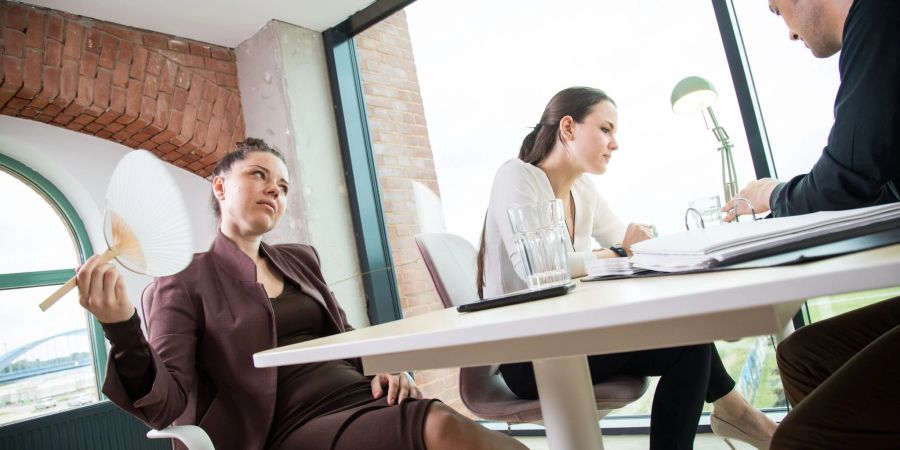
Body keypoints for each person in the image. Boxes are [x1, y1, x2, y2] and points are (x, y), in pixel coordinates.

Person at [76, 138, 526, 450]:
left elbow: (347, 335)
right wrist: (122, 328)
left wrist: (389, 364)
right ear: (219, 185)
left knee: (470, 434)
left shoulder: (299, 259)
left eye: (284, 185)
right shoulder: (183, 280)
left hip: (360, 394)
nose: (275, 188)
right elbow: (167, 402)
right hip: (283, 425)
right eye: (259, 174)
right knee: (444, 429)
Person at [477, 87, 777, 450]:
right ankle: (738, 415)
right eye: (605, 129)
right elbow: (537, 266)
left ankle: (735, 413)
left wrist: (663, 248)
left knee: (691, 342)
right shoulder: (517, 176)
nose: (614, 143)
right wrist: (618, 251)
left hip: (575, 335)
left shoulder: (583, 190)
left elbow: (633, 248)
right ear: (568, 128)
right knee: (689, 342)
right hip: (529, 355)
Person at [720, 1, 900, 448]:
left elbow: (845, 180)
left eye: (778, 10)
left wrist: (773, 195)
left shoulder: (882, 16)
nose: (789, 33)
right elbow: (869, 181)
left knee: (796, 439)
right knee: (801, 355)